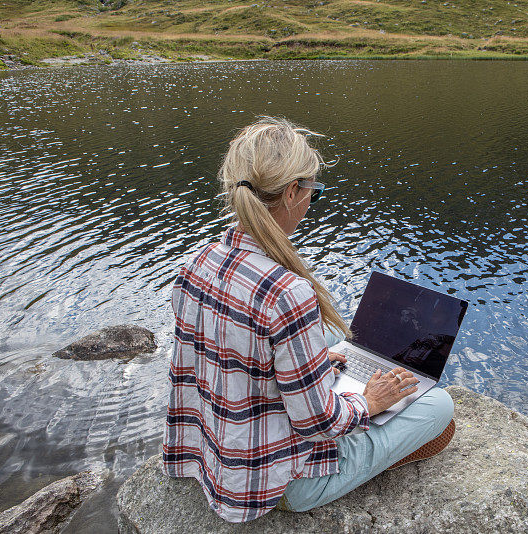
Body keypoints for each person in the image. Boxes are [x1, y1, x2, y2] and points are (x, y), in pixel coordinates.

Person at [162, 116, 455, 523]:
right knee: (439, 405)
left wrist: (316, 367)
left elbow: (216, 366)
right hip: (281, 482)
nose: (309, 204)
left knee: (336, 352)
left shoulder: (197, 262)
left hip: (213, 460)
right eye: (313, 193)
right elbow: (319, 423)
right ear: (293, 192)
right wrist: (368, 402)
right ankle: (366, 462)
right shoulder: (287, 293)